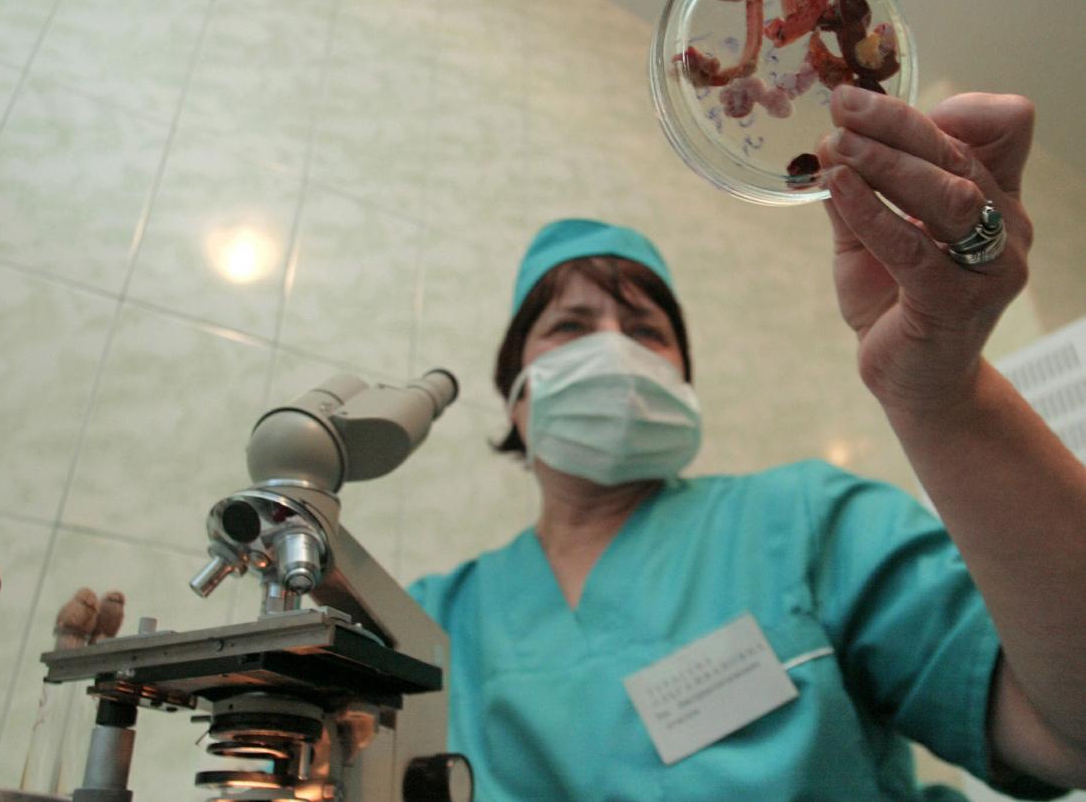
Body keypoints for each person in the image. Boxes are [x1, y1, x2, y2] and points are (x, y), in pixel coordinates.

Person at [408, 85, 1086, 800]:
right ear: (516, 394)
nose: (613, 351)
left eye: (645, 332)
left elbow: (1067, 729)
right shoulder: (432, 624)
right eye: (570, 327)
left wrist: (943, 389)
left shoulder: (806, 523)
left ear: (680, 381)